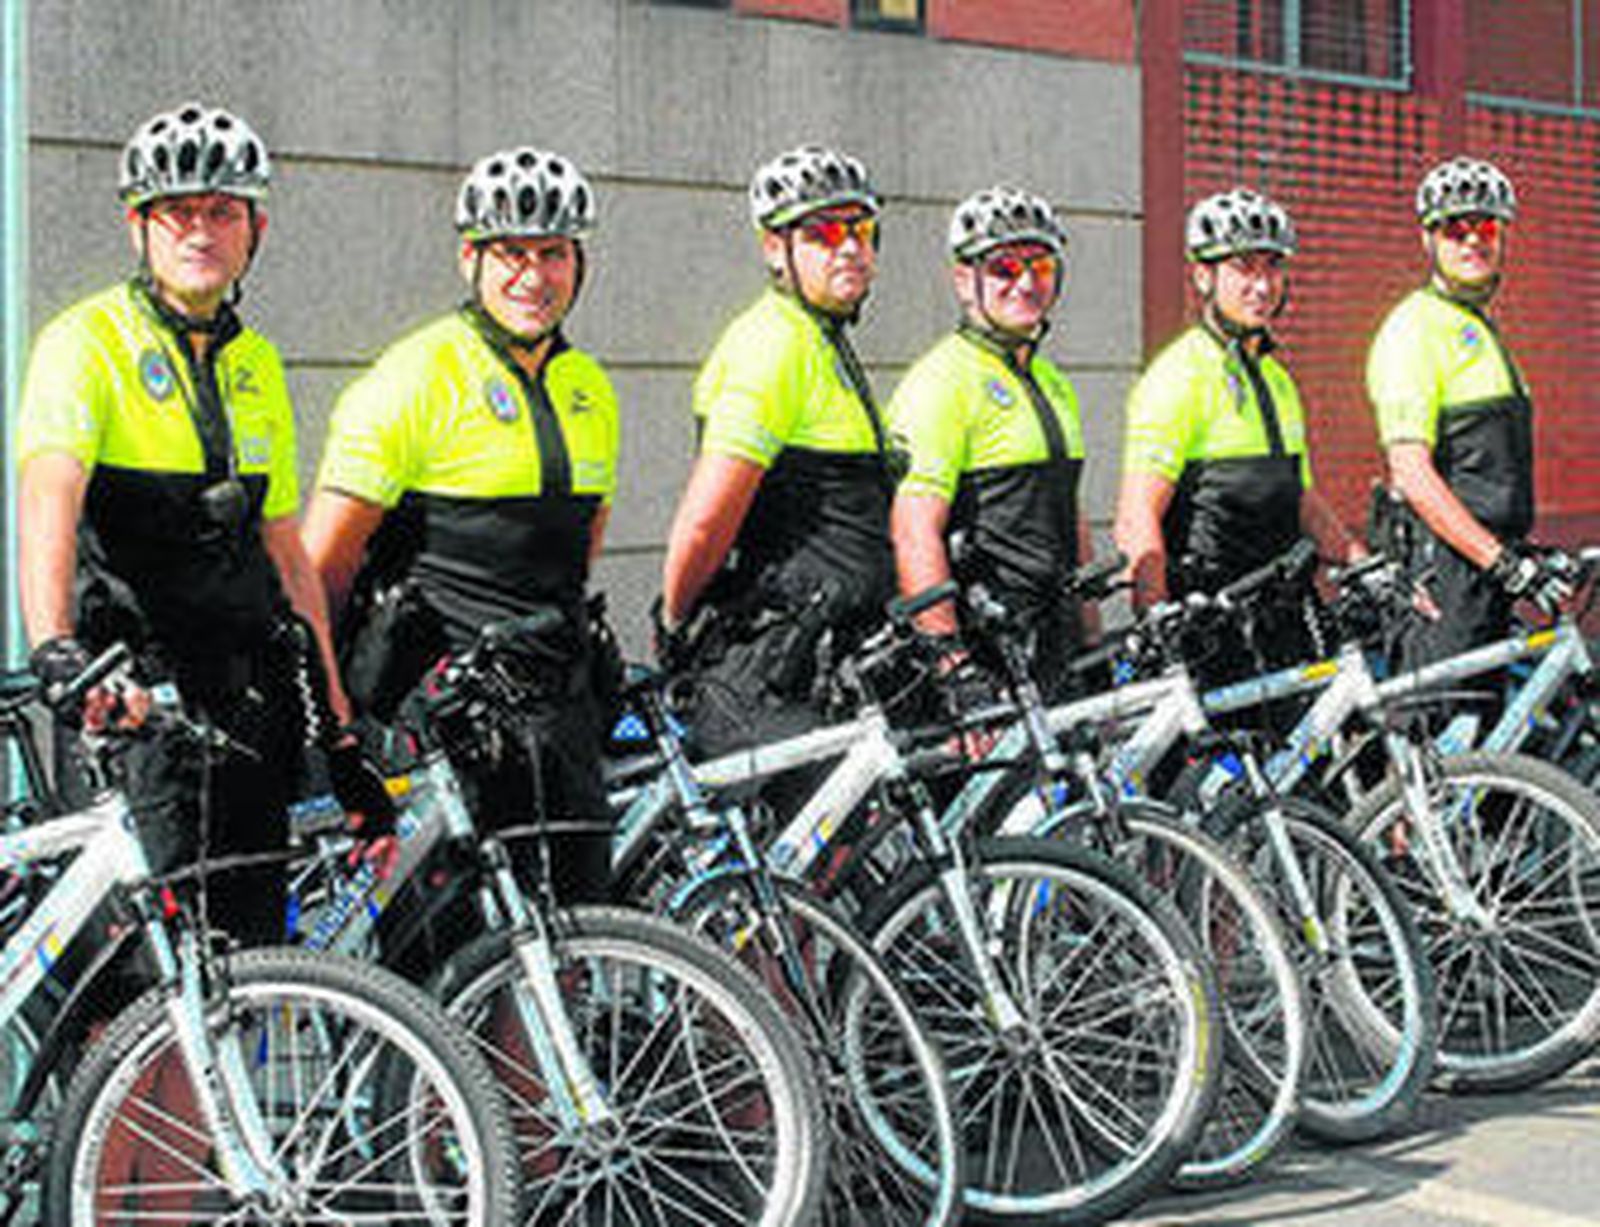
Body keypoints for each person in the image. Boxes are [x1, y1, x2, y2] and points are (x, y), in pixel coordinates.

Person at [17, 102, 372, 950]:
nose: (200, 229)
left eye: (222, 210)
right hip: (135, 701)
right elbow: (47, 502)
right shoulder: (86, 344)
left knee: (241, 969)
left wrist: (338, 719)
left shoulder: (255, 365)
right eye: (178, 211)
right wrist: (55, 644)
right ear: (139, 226)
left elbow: (287, 553)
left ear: (255, 227)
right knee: (146, 994)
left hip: (246, 709)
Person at [304, 145, 618, 906]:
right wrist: (338, 727)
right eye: (511, 253)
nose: (533, 276)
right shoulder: (412, 377)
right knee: (449, 964)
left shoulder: (590, 390)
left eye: (552, 253)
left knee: (566, 942)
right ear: (470, 259)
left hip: (556, 715)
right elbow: (322, 569)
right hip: (439, 719)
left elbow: (579, 551)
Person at [658, 144, 896, 752]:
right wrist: (678, 620)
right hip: (773, 671)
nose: (849, 247)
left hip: (834, 660)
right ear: (774, 247)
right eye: (824, 231)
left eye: (862, 230)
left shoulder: (822, 341)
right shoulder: (770, 347)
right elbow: (706, 521)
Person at [1114, 188, 1360, 670]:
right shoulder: (1178, 376)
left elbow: (1300, 496)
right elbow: (1136, 513)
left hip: (1283, 615)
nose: (1262, 285)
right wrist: (1155, 615)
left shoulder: (1276, 379)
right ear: (1204, 276)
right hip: (1211, 623)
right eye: (1244, 268)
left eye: (1272, 267)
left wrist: (1361, 561)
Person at [888, 185, 1092, 700]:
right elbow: (914, 532)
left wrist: (1091, 636)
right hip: (989, 653)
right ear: (964, 279)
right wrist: (951, 664)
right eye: (1003, 268)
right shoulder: (940, 380)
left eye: (1040, 267)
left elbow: (1072, 515)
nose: (1024, 283)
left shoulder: (1053, 381)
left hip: (1056, 645)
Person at [1367, 156, 1570, 670]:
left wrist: (1518, 557)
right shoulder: (1414, 329)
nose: (1473, 240)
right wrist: (1499, 561)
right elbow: (1412, 474)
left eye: (1486, 227)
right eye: (1455, 229)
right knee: (1443, 739)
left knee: (1486, 737)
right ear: (1428, 240)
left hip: (1487, 572)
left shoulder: (1477, 330)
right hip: (1443, 576)